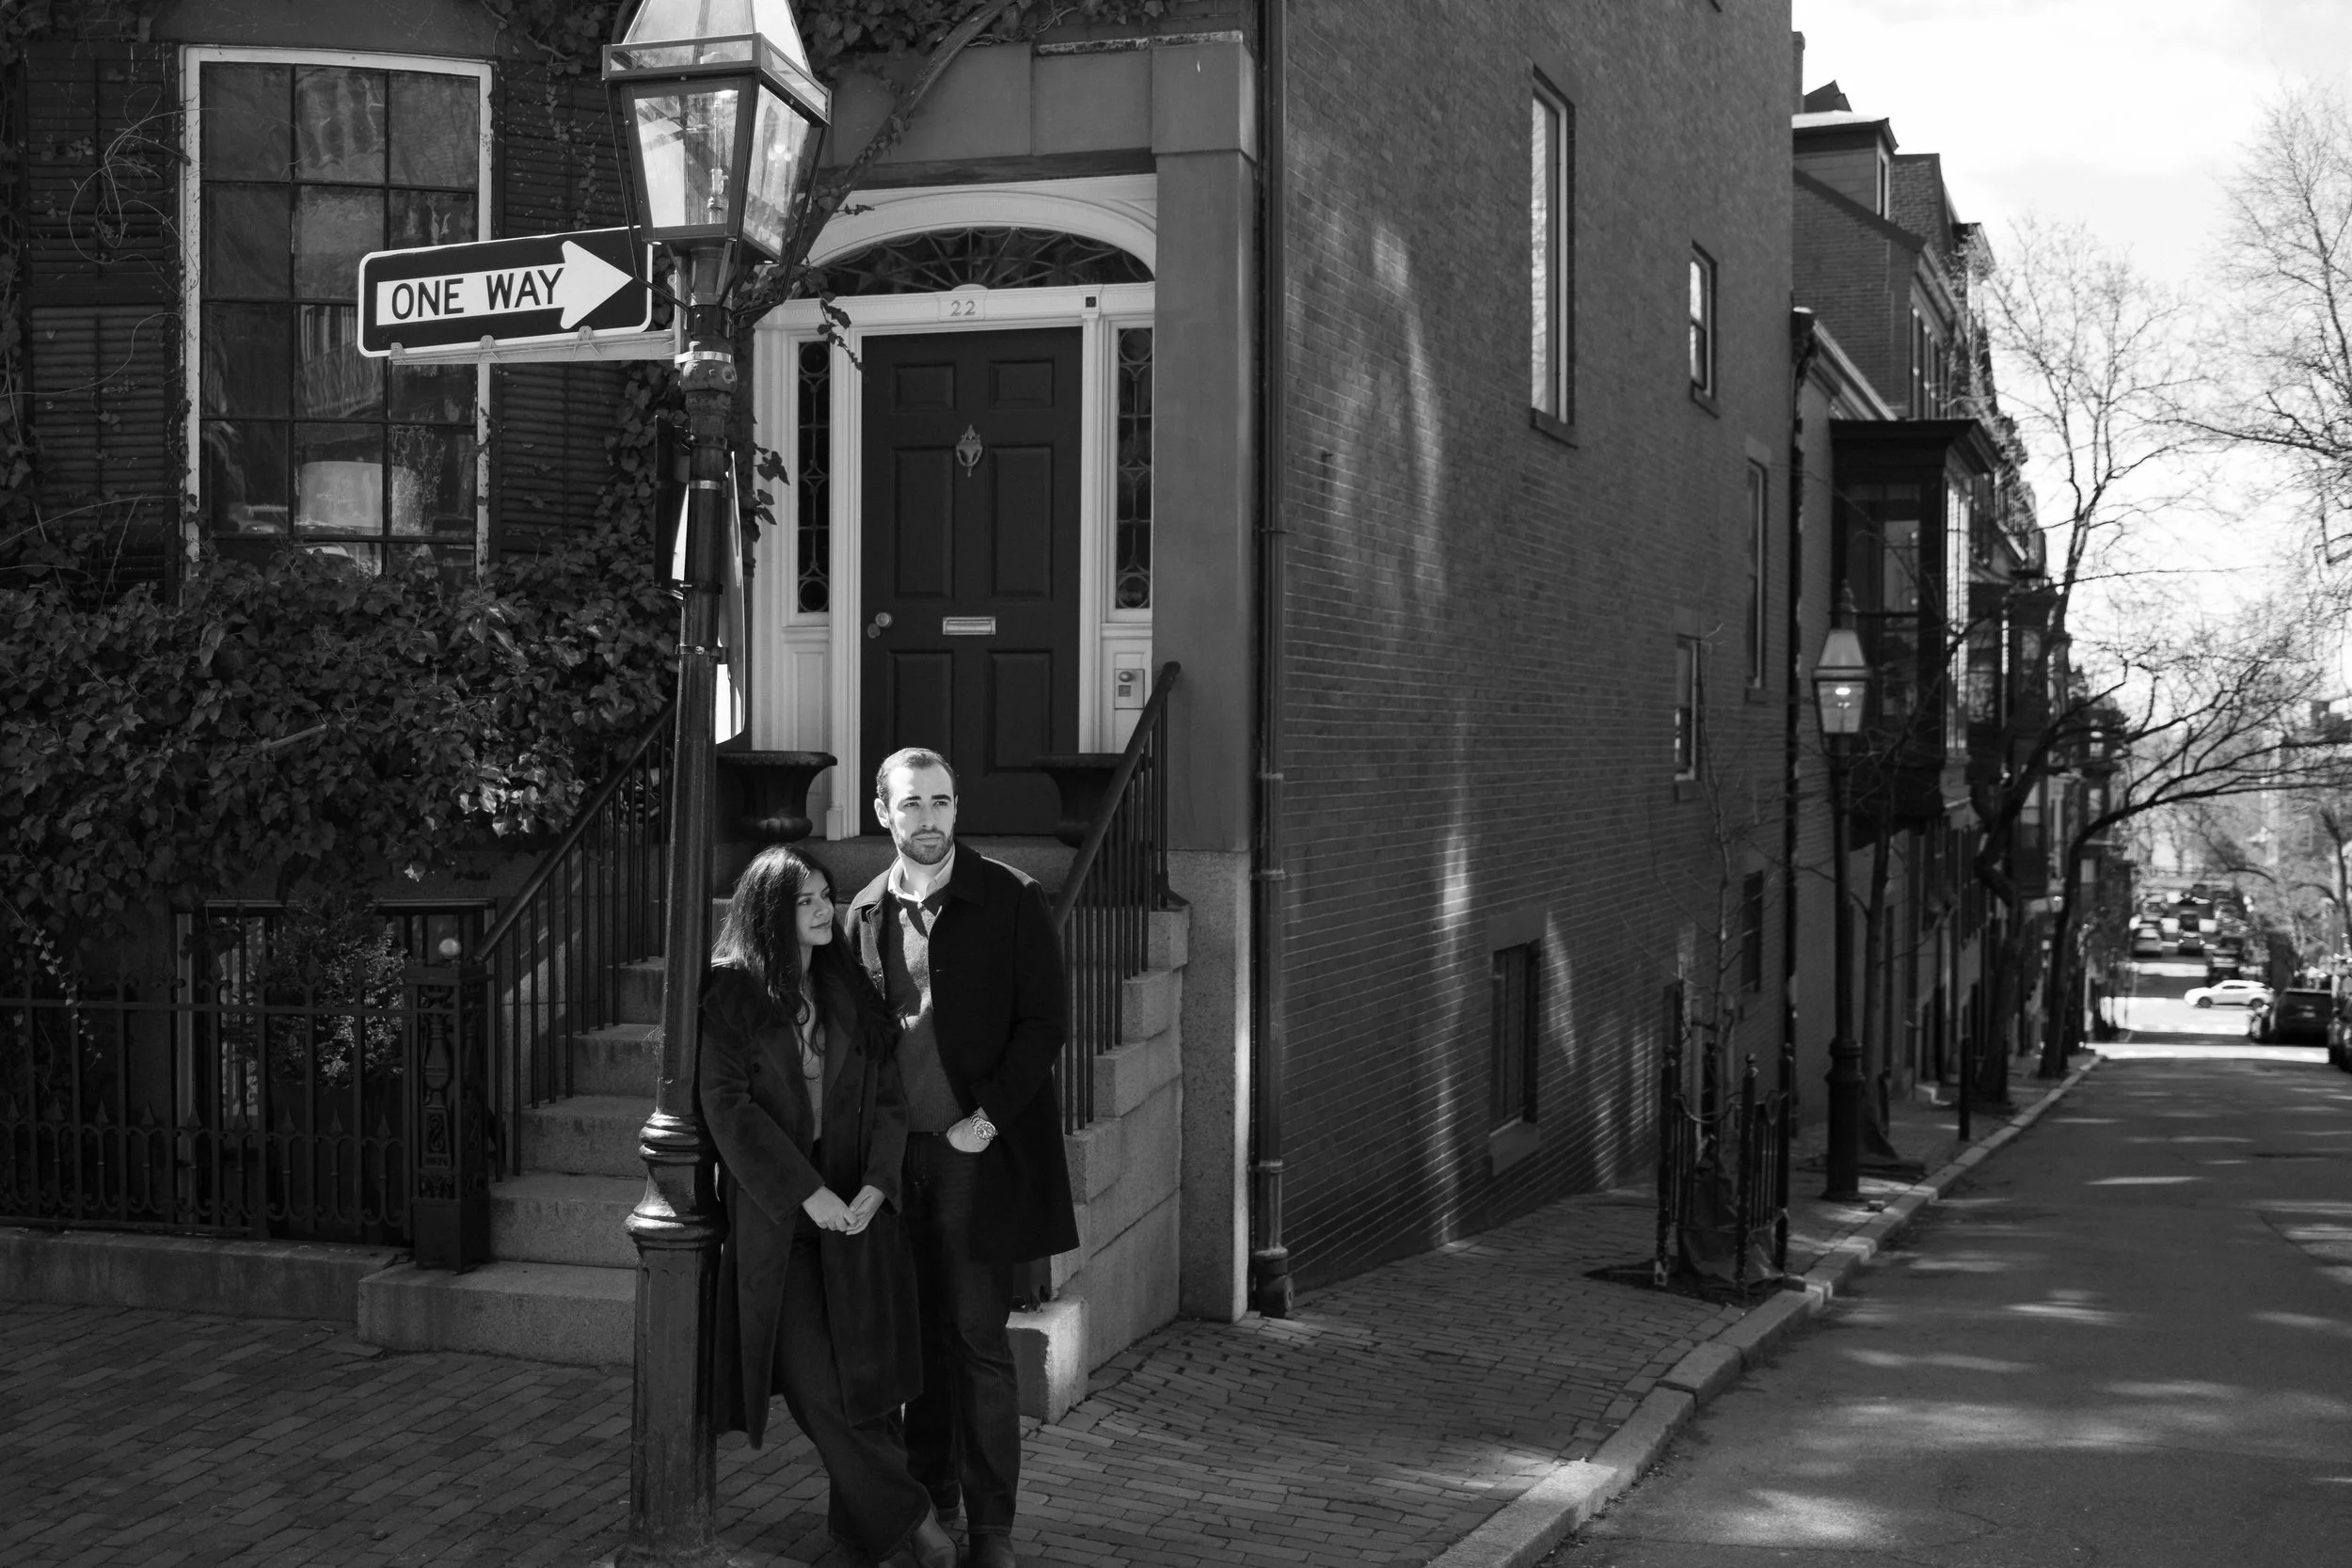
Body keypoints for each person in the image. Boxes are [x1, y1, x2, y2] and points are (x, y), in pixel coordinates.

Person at [845, 749, 1077, 1568]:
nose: (932, 818)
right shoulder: (863, 913)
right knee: (914, 1342)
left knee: (977, 1340)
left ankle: (992, 1532)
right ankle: (928, 1505)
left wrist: (986, 1118)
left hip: (973, 1157)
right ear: (884, 812)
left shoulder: (1012, 898)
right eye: (913, 804)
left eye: (943, 801)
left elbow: (1045, 1023)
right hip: (891, 1161)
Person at [700, 845, 958, 1568]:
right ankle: (917, 1523)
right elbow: (729, 1110)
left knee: (864, 1386)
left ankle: (856, 1537)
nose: (823, 909)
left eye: (825, 894)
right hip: (781, 1224)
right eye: (805, 900)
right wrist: (806, 1193)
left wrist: (877, 1182)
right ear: (768, 911)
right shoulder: (729, 997)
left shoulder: (846, 987)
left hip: (857, 1218)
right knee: (817, 1387)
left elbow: (886, 1096)